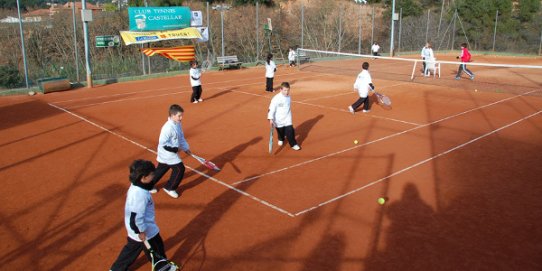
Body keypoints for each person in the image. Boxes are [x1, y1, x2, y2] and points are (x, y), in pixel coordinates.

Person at [110, 159, 168, 271]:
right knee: (157, 248)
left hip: (135, 229)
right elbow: (135, 218)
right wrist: (141, 231)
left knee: (132, 249)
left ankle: (116, 269)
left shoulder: (136, 185)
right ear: (143, 178)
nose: (153, 175)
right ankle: (163, 268)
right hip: (145, 230)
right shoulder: (140, 195)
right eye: (151, 174)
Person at [150, 104, 191, 199]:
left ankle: (148, 185)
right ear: (172, 115)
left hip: (169, 152)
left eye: (182, 115)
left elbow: (181, 137)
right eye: (179, 116)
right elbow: (163, 143)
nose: (181, 118)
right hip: (167, 153)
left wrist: (186, 148)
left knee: (162, 168)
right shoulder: (167, 128)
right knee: (179, 169)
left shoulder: (177, 124)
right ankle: (169, 187)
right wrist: (176, 149)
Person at [267, 82, 301, 151]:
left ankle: (293, 144)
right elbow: (271, 108)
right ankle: (281, 138)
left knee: (290, 130)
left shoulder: (289, 97)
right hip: (278, 119)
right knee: (281, 132)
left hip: (287, 118)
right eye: (285, 90)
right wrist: (270, 118)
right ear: (281, 90)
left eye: (288, 90)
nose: (286, 92)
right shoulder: (276, 98)